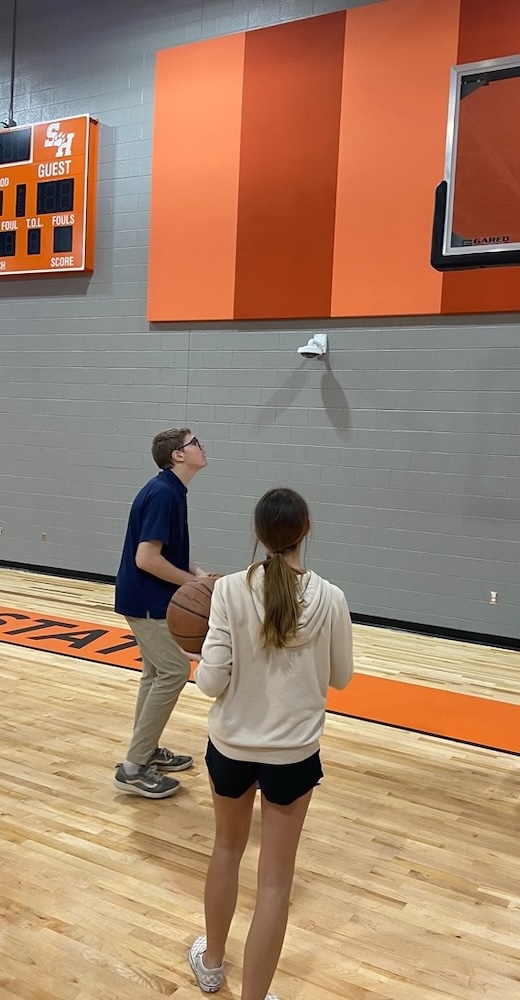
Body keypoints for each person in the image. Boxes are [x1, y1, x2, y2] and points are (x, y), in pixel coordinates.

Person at [189, 487, 354, 1000]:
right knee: (276, 881)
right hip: (294, 756)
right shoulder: (331, 597)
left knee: (226, 848)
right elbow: (342, 678)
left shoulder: (229, 590)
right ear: (308, 530)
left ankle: (211, 966)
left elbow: (210, 684)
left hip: (233, 748)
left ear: (258, 535)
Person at [113, 427, 208, 799]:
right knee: (173, 671)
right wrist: (191, 585)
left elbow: (163, 552)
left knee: (155, 674)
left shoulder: (169, 490)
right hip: (147, 599)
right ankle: (133, 768)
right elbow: (147, 558)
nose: (202, 446)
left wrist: (198, 574)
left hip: (145, 596)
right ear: (178, 455)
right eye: (195, 442)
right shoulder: (165, 493)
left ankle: (146, 750)